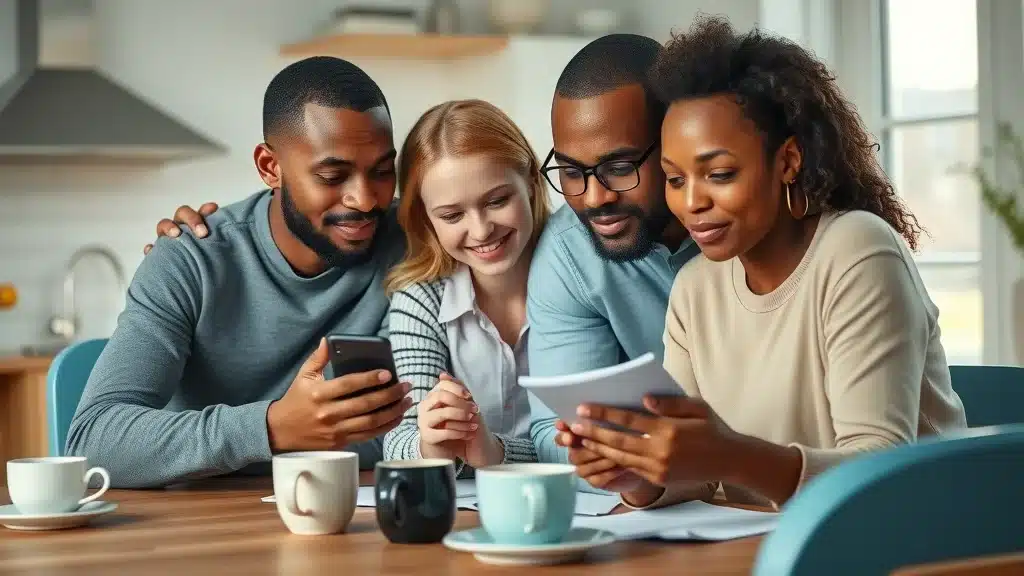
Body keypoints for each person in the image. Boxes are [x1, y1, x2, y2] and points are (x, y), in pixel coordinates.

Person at [557, 16, 968, 510]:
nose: (692, 203)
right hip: (763, 541)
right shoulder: (695, 288)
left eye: (720, 174)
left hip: (911, 535)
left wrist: (730, 455)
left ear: (788, 161)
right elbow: (698, 475)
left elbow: (878, 472)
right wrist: (637, 472)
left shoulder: (857, 251)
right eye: (675, 179)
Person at [67, 56, 412, 488]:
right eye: (332, 176)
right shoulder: (190, 260)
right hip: (203, 518)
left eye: (382, 171)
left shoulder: (416, 243)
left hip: (342, 508)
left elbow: (406, 428)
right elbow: (93, 441)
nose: (365, 199)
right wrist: (270, 428)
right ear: (270, 167)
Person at [525, 34, 700, 479]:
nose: (594, 198)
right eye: (570, 171)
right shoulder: (569, 252)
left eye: (620, 168)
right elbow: (552, 429)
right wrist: (623, 457)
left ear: (675, 143)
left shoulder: (745, 229)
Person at [382, 99, 549, 474]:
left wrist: (493, 452)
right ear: (426, 218)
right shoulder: (421, 299)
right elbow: (398, 439)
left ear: (531, 181)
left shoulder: (577, 275)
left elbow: (595, 438)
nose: (481, 229)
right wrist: (431, 441)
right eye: (452, 215)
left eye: (497, 200)